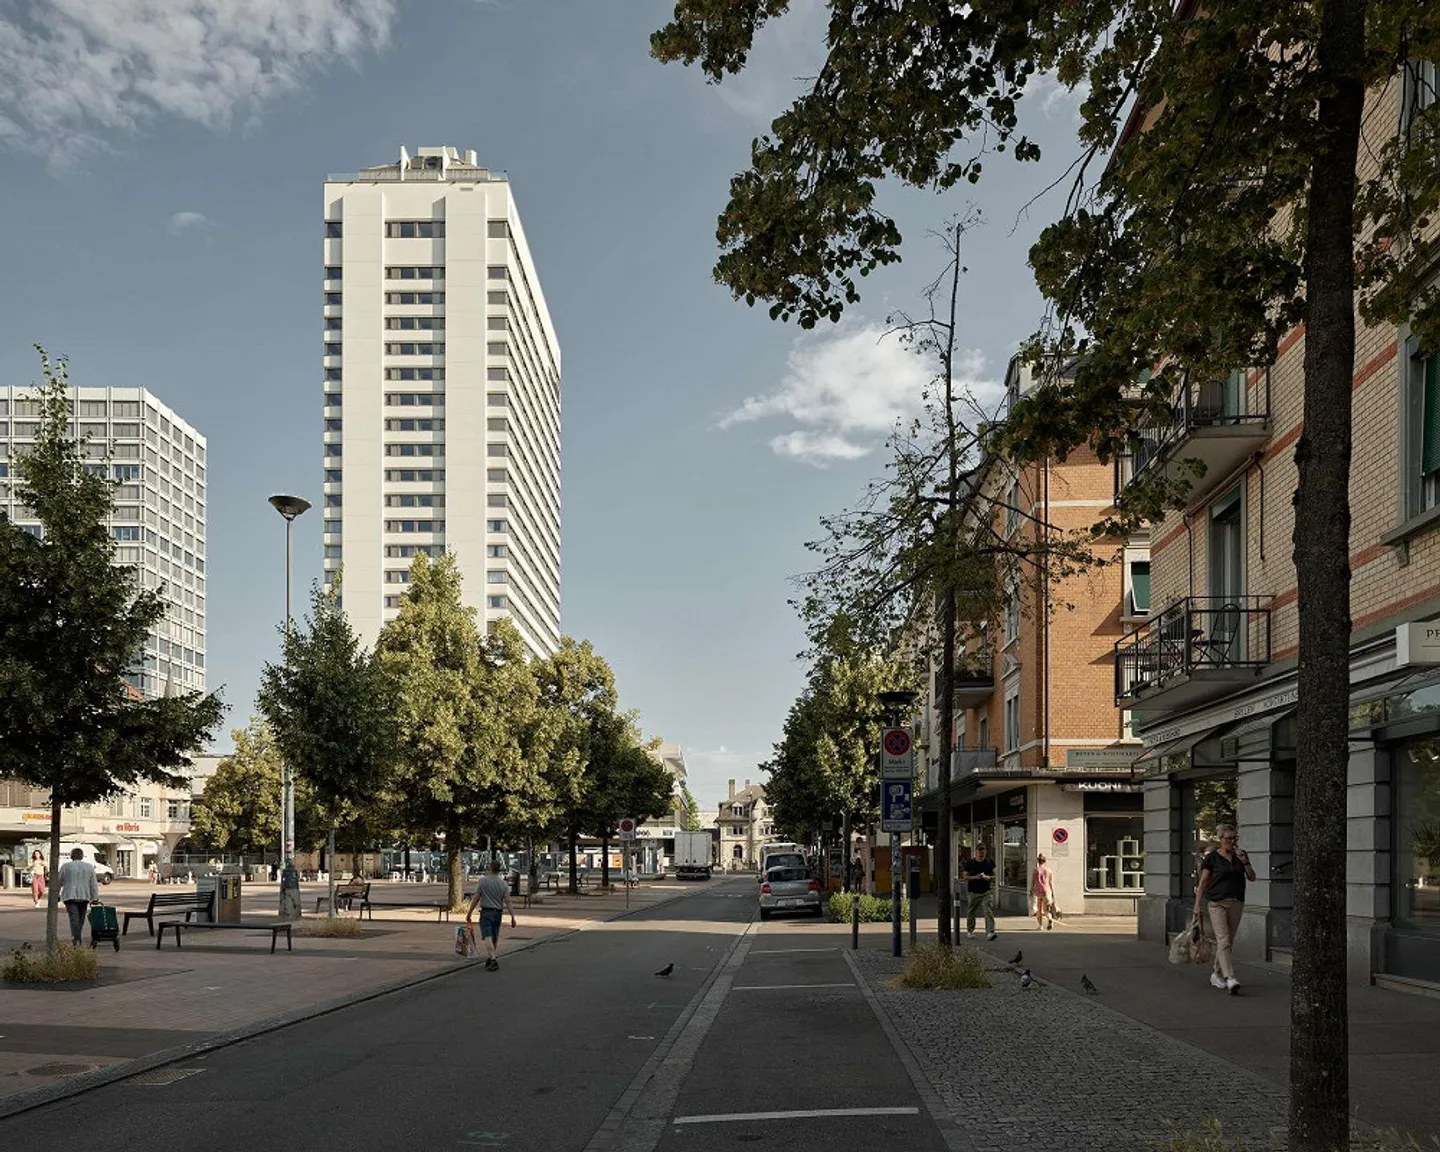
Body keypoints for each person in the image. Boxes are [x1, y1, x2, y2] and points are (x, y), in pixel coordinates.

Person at [1193, 824, 1256, 994]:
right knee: (1223, 939)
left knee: (1229, 941)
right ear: (1220, 839)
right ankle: (1230, 978)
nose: (1232, 842)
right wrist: (1197, 905)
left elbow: (1252, 877)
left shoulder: (1240, 856)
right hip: (1216, 903)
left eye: (1234, 838)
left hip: (1236, 902)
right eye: (1228, 838)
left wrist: (1246, 862)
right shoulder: (1212, 858)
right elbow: (1203, 882)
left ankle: (1216, 974)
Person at [465, 857, 517, 972]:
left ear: (490, 868)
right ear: (499, 870)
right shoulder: (503, 884)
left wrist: (469, 912)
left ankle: (493, 959)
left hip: (486, 912)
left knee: (487, 936)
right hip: (498, 913)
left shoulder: (483, 881)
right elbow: (508, 901)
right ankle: (490, 957)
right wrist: (513, 916)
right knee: (494, 936)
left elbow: (476, 898)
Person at [57, 848, 99, 947]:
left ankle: (76, 939)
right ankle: (77, 938)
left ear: (71, 856)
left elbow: (59, 882)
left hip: (70, 896)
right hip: (84, 896)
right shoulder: (89, 867)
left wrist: (57, 895)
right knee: (81, 918)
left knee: (73, 918)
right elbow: (93, 884)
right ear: (81, 856)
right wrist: (95, 897)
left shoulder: (65, 866)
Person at [962, 843, 998, 941]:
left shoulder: (989, 862)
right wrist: (976, 877)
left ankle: (990, 932)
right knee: (971, 912)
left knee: (988, 911)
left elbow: (995, 876)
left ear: (985, 851)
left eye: (983, 851)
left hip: (986, 891)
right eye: (979, 851)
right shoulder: (970, 863)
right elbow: (965, 877)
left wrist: (988, 877)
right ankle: (970, 931)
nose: (981, 853)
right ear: (976, 852)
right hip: (973, 892)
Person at [1032, 853, 1056, 930]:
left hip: (1038, 892)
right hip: (1047, 891)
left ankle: (1040, 926)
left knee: (1039, 910)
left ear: (1038, 861)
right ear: (1045, 861)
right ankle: (1049, 918)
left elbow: (1033, 881)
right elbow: (1051, 882)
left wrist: (1031, 890)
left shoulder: (1036, 870)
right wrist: (1053, 892)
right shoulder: (1049, 870)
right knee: (1046, 910)